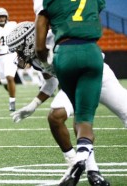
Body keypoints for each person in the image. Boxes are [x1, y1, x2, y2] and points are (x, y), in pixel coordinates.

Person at [7, 21, 113, 185]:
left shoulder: (56, 42)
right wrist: (33, 105)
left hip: (96, 73)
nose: (18, 55)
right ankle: (75, 164)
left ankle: (89, 169)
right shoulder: (36, 59)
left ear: (29, 42)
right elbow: (51, 83)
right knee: (56, 116)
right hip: (74, 84)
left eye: (19, 49)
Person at [33, 0, 106, 185]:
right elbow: (89, 19)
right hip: (93, 53)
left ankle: (80, 162)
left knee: (74, 114)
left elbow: (40, 44)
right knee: (85, 120)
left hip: (65, 53)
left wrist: (46, 64)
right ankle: (90, 167)